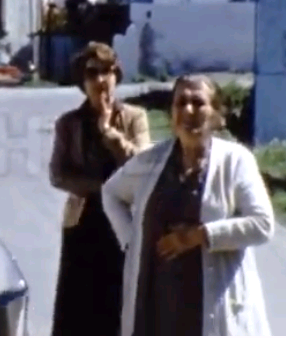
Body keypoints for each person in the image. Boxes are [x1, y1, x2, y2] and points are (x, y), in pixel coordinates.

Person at [102, 74, 274, 336]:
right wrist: (131, 239)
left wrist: (200, 235)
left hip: (215, 306)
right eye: (180, 103)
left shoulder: (235, 161)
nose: (188, 110)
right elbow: (111, 193)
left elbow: (262, 224)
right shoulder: (151, 162)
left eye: (198, 103)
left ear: (217, 115)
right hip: (158, 306)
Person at [49, 42, 152, 336]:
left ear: (117, 76)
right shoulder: (69, 124)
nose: (101, 80)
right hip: (84, 220)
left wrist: (110, 133)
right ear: (83, 82)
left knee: (120, 299)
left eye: (107, 72)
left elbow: (142, 165)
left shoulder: (135, 117)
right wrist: (104, 188)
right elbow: (58, 174)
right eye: (92, 73)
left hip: (124, 220)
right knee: (78, 304)